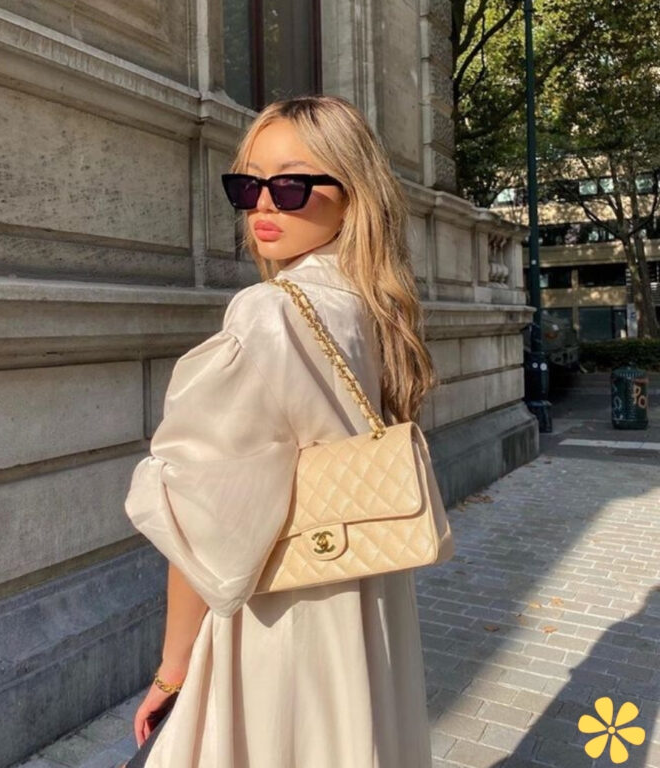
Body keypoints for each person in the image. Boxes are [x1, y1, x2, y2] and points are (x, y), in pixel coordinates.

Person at [121, 94, 439, 768]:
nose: (264, 204)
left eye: (291, 184)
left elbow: (200, 516)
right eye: (248, 185)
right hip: (367, 600)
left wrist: (173, 670)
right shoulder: (375, 307)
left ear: (353, 197)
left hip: (282, 620)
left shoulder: (269, 314)